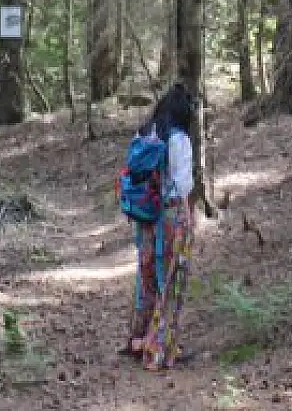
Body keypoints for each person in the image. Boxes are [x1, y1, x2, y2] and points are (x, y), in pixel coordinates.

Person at [121, 82, 197, 370]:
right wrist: (188, 217)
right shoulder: (178, 139)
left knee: (147, 277)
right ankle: (159, 348)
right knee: (170, 279)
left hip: (144, 215)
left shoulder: (145, 131)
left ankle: (137, 339)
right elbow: (181, 184)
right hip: (170, 214)